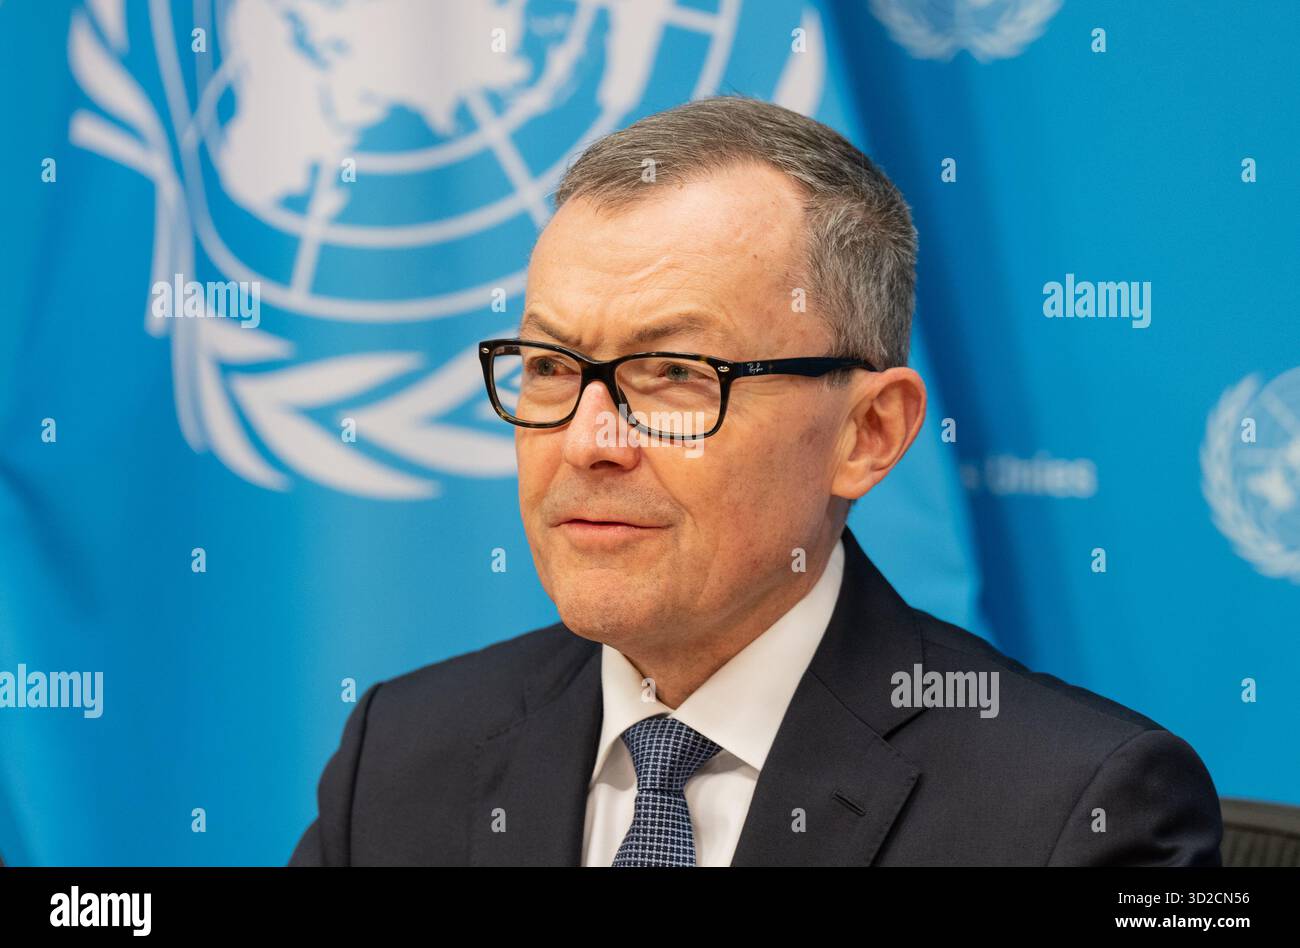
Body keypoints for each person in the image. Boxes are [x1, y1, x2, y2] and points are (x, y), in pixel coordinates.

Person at [289, 95, 1222, 866]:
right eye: (549, 366)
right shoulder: (403, 757)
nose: (587, 442)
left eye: (677, 373)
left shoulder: (1082, 811)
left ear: (868, 431)